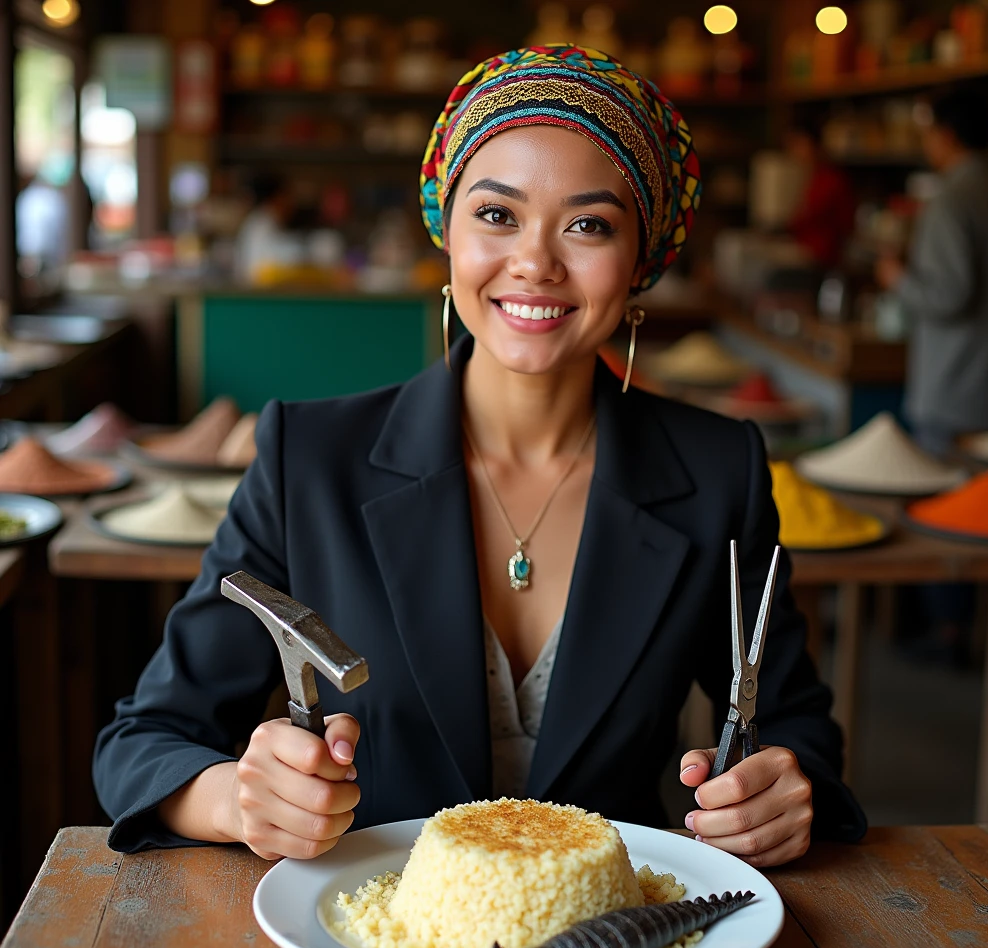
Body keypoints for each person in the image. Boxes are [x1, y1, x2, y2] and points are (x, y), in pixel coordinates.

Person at [94, 46, 865, 868]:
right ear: (446, 231)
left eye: (589, 224)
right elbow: (146, 738)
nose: (535, 261)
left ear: (642, 260)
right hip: (366, 938)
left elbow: (791, 725)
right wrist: (238, 799)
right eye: (497, 215)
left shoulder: (720, 471)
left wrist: (787, 791)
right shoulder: (308, 459)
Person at [876, 89, 988, 455]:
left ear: (946, 135)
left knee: (944, 505)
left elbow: (949, 297)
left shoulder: (951, 201)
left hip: (956, 390)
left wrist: (897, 277)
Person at [785, 115, 856, 269]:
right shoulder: (811, 176)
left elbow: (845, 224)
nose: (794, 152)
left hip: (821, 260)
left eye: (798, 144)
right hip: (804, 251)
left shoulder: (831, 179)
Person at [234, 174, 297, 284]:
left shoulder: (264, 220)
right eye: (288, 196)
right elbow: (279, 258)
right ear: (278, 197)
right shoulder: (262, 223)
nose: (291, 203)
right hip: (255, 292)